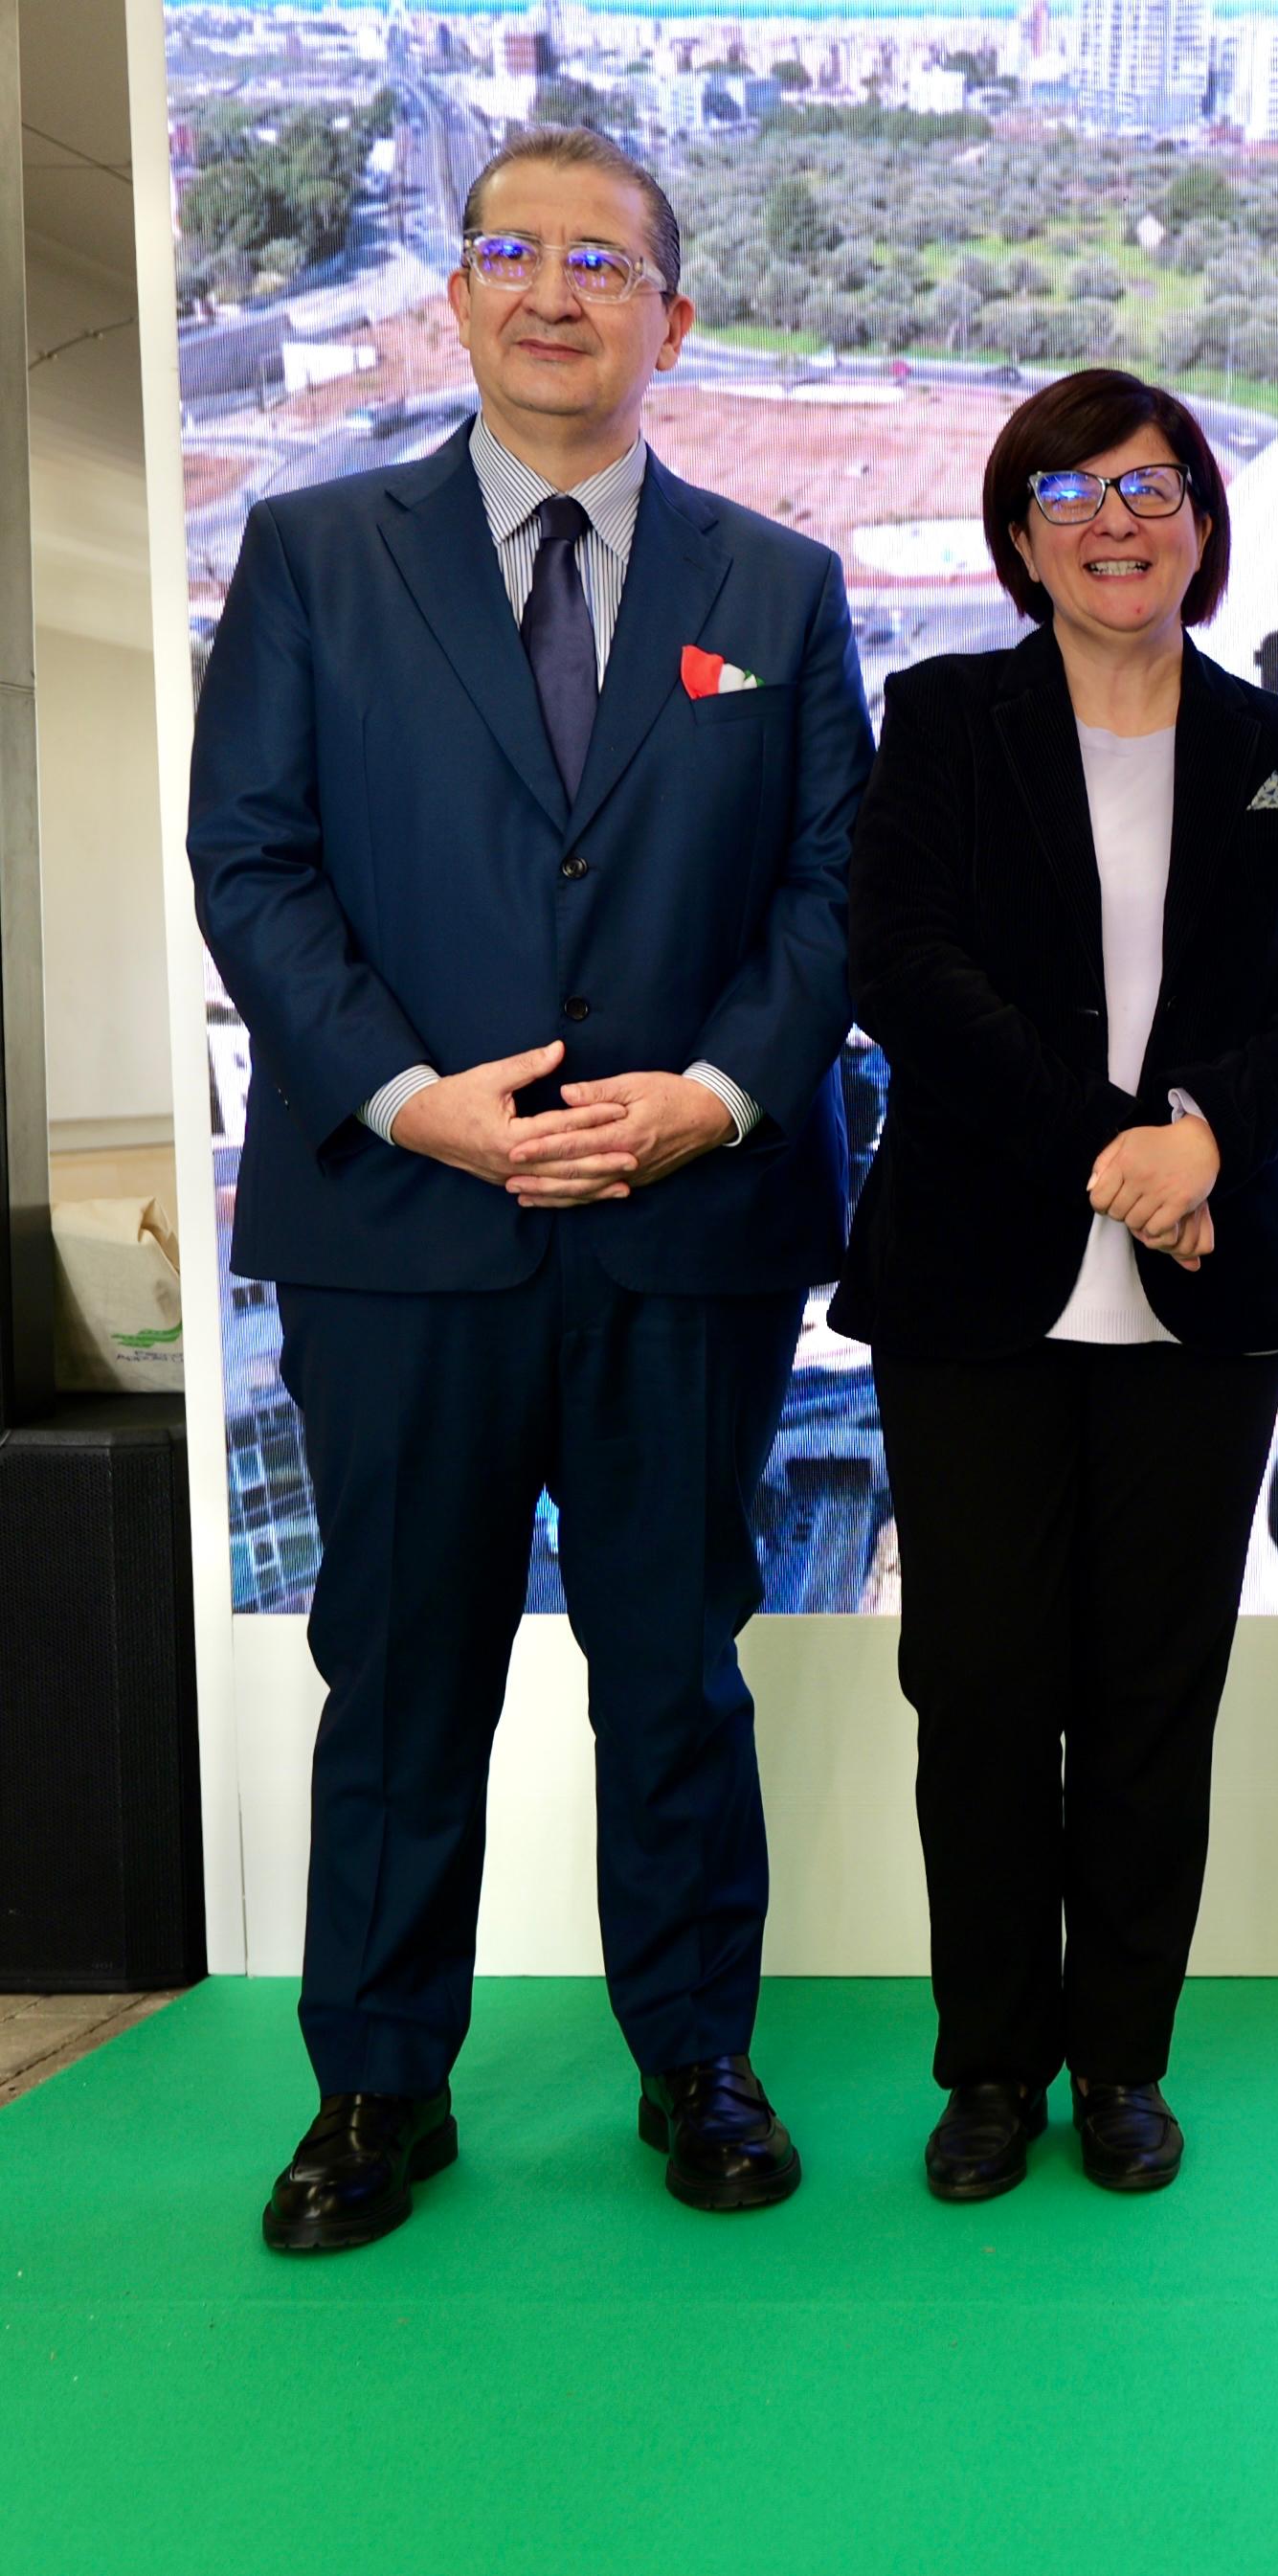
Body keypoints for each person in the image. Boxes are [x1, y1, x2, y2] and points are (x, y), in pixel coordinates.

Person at [190, 129, 872, 2248]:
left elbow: (832, 882)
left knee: (675, 1664)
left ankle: (698, 2058)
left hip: (683, 1230)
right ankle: (377, 2091)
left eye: (604, 260)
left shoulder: (776, 582)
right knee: (401, 1672)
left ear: (671, 318)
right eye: (513, 254)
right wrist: (412, 1098)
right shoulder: (313, 557)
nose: (555, 290)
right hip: (404, 1227)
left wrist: (717, 1094)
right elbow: (256, 867)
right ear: (455, 302)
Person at [830, 370, 1278, 2201]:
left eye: (1152, 487)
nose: (1116, 520)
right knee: (980, 1690)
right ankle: (988, 2067)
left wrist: (1205, 1140)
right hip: (979, 1282)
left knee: (1153, 1695)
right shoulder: (943, 718)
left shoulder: (1276, 749)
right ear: (1017, 537)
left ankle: (1123, 2063)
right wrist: (1119, 1154)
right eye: (1071, 492)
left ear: (1201, 526)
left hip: (1202, 1305)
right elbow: (903, 968)